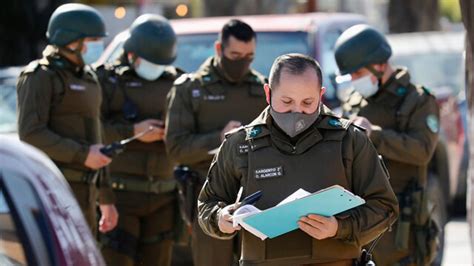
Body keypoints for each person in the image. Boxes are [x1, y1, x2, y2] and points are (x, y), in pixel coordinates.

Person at [198, 53, 399, 266]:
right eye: (286, 101)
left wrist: (340, 227)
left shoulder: (349, 140)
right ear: (268, 93)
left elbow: (385, 207)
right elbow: (207, 204)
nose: (297, 111)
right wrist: (220, 219)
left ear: (320, 95)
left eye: (307, 102)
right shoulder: (240, 144)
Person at [334, 24, 440, 265]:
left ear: (379, 65)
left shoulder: (418, 100)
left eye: (358, 74)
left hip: (401, 227)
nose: (353, 81)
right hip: (359, 219)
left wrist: (375, 135)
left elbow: (422, 150)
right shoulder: (354, 101)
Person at [165, 19, 267, 266]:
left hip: (258, 197)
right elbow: (176, 148)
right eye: (235, 55)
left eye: (249, 56)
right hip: (210, 199)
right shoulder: (190, 88)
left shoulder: (262, 88)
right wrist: (219, 139)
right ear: (219, 49)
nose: (242, 62)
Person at [16, 3, 118, 235]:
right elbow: (31, 134)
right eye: (92, 39)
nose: (97, 45)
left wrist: (106, 197)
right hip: (55, 192)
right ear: (72, 41)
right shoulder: (40, 76)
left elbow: (97, 139)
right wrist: (82, 155)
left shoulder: (89, 77)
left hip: (88, 193)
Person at [95, 14, 183, 266]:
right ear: (131, 54)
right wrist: (132, 130)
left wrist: (172, 132)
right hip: (120, 197)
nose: (154, 67)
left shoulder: (177, 82)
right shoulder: (106, 80)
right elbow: (91, 131)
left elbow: (192, 130)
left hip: (164, 196)